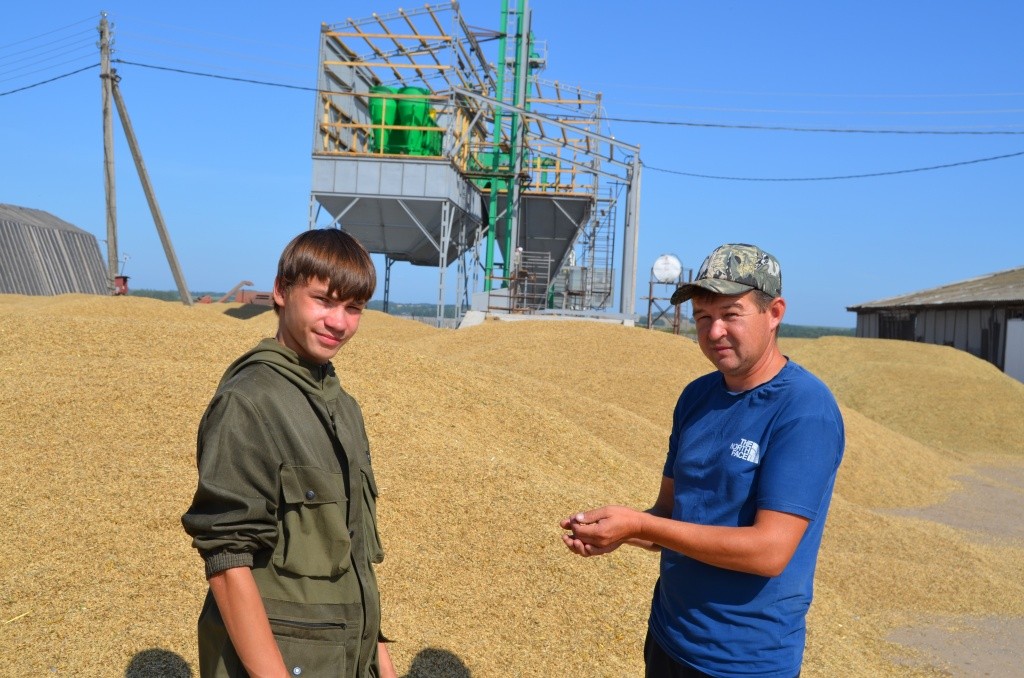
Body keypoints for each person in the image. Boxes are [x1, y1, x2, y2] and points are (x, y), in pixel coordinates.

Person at [561, 243, 844, 678]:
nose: (715, 332)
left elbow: (769, 552)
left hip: (741, 660)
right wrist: (619, 533)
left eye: (731, 314)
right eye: (703, 317)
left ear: (774, 313)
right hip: (669, 635)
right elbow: (670, 515)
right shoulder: (697, 397)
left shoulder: (804, 410)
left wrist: (641, 526)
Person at [182, 228, 396, 678]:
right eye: (324, 301)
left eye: (354, 308)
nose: (339, 323)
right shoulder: (249, 401)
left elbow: (356, 565)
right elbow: (227, 562)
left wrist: (383, 667)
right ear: (281, 291)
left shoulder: (343, 407)